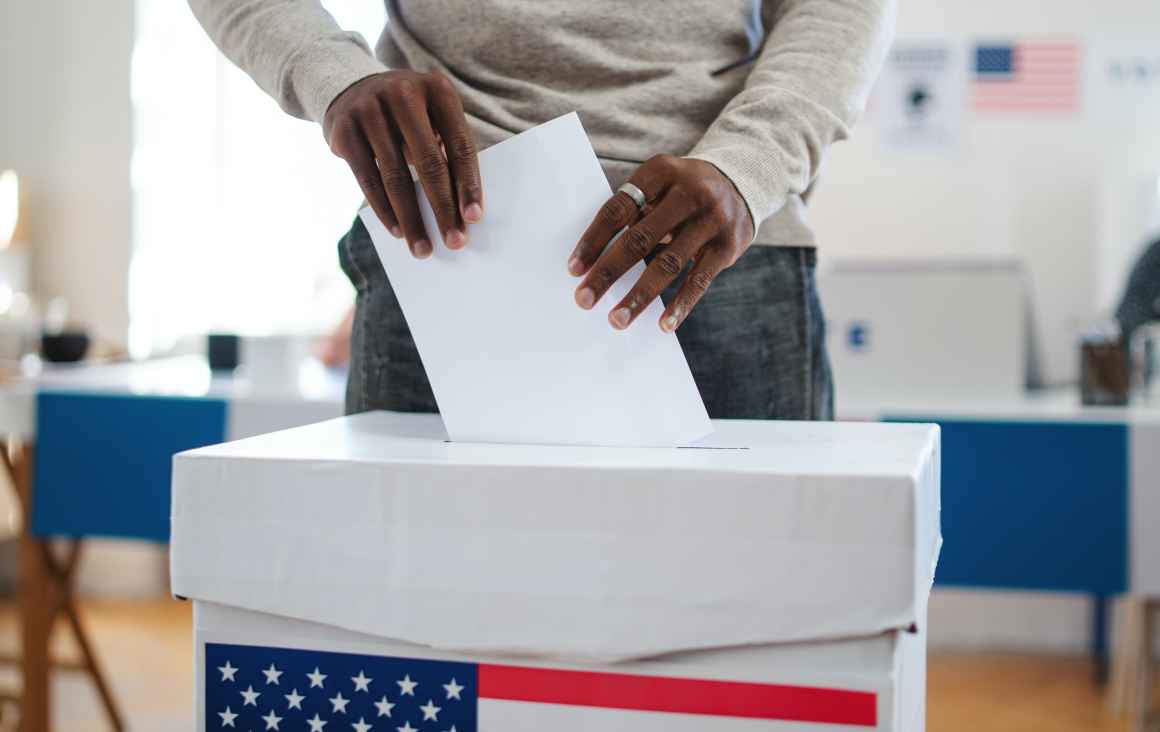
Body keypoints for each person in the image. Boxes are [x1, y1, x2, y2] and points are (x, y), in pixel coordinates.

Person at [190, 0, 894, 420]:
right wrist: (331, 73)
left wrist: (751, 165)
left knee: (761, 633)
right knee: (420, 635)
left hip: (715, 246)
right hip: (450, 245)